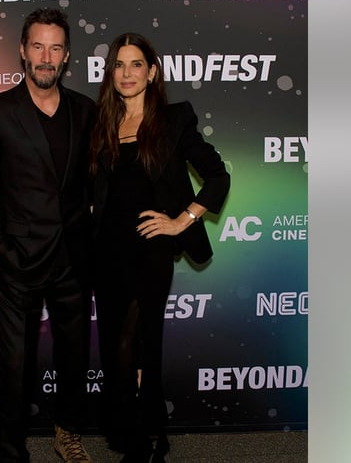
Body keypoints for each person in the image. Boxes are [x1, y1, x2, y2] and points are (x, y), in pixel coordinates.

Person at [89, 32, 231, 462]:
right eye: (119, 65)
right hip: (107, 252)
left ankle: (145, 436)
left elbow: (217, 175)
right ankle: (131, 426)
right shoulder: (100, 123)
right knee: (114, 342)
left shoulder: (173, 120)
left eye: (136, 65)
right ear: (110, 73)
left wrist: (181, 220)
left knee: (141, 340)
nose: (127, 73)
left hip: (150, 252)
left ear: (151, 73)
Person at [0, 8, 96, 463]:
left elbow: (95, 183)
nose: (47, 57)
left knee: (74, 357)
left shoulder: (86, 111)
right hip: (19, 259)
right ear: (23, 51)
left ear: (67, 56)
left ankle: (68, 433)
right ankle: (11, 448)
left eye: (56, 47)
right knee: (17, 362)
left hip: (73, 262)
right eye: (38, 46)